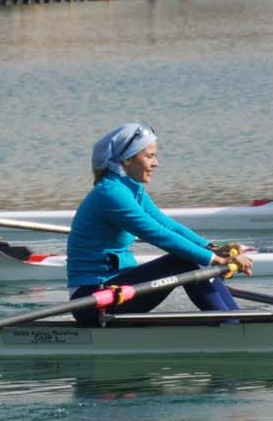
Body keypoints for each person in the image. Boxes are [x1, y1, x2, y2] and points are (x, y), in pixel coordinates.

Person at [64, 124, 244, 327]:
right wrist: (215, 260)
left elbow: (169, 226)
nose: (156, 163)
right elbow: (158, 235)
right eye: (149, 156)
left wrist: (211, 249)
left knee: (190, 257)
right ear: (128, 160)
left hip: (117, 287)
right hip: (92, 298)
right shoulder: (111, 194)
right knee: (182, 260)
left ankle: (235, 319)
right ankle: (232, 326)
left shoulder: (130, 189)